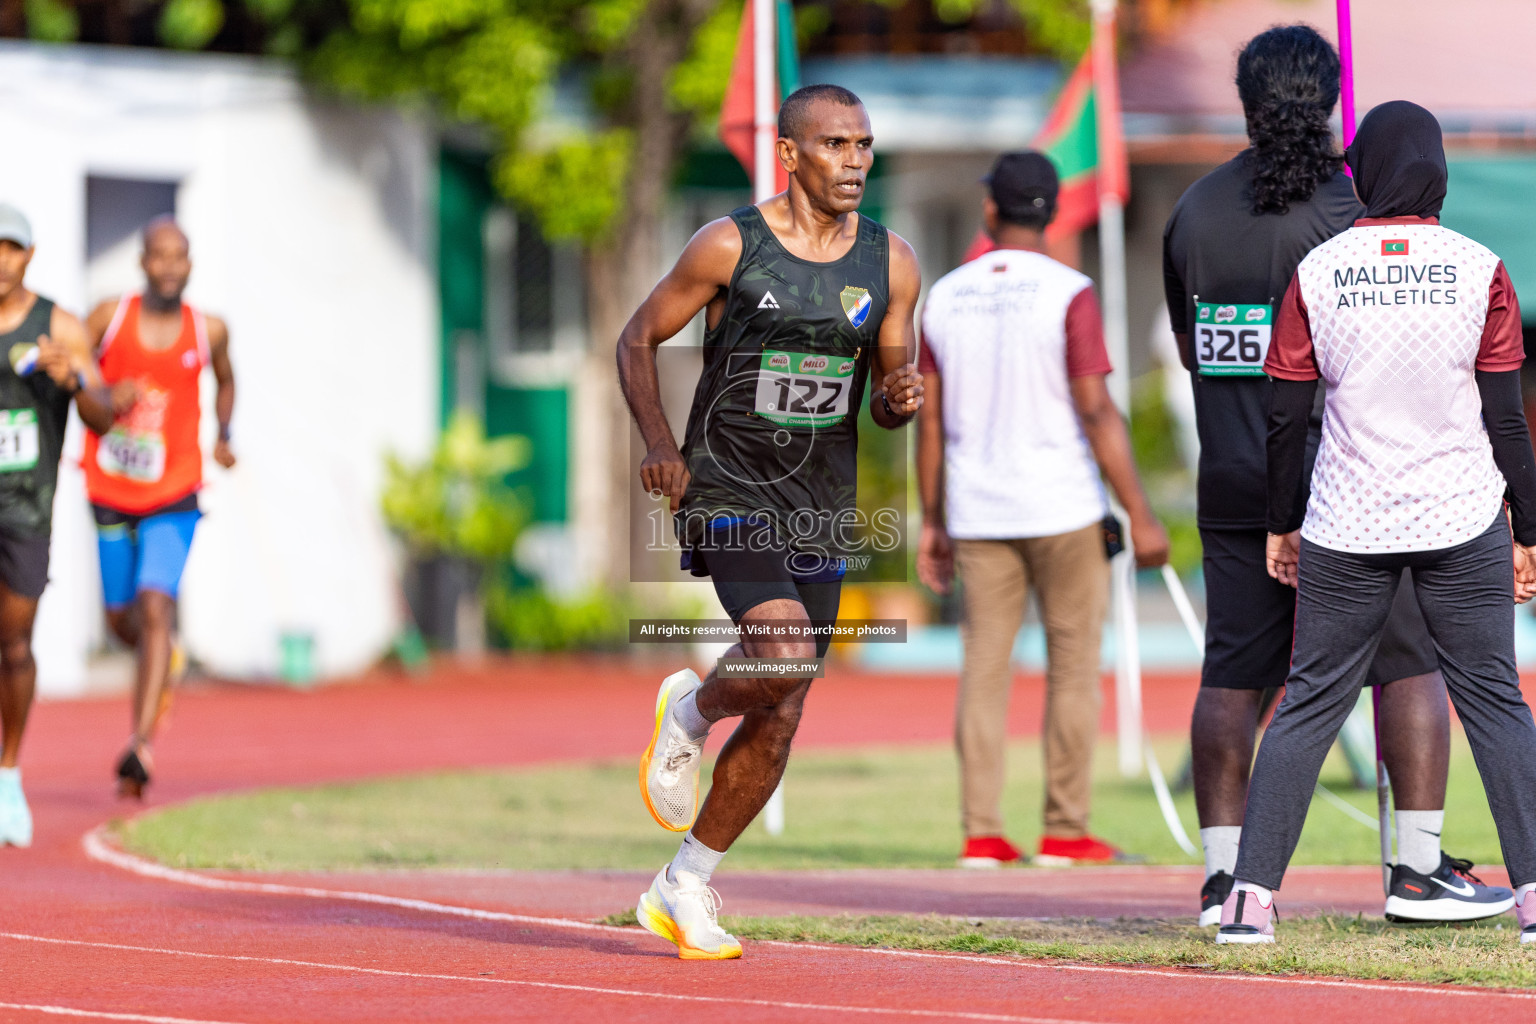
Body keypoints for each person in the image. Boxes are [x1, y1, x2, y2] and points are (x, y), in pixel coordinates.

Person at [1161, 26, 1502, 926]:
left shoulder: (1192, 211)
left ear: (1245, 101)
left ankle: (1225, 880)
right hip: (1355, 490)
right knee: (1412, 666)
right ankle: (1419, 871)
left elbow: (1191, 346)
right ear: (1332, 99)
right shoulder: (1360, 217)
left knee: (1234, 679)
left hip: (1233, 478)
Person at [1218, 100, 1536, 944]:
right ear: (1437, 168)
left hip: (1347, 521)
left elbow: (1287, 418)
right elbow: (1508, 420)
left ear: (1361, 171)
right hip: (1462, 517)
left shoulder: (1318, 272)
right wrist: (1529, 529)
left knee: (1309, 706)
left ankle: (1249, 902)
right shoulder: (1482, 268)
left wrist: (1281, 521)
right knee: (1496, 704)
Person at [616, 84, 922, 959]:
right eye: (835, 145)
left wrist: (901, 396)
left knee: (784, 706)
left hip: (820, 503)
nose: (856, 161)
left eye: (864, 144)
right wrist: (661, 445)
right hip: (728, 486)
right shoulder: (727, 245)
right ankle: (688, 713)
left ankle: (685, 883)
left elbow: (890, 396)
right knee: (782, 654)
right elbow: (636, 339)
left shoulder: (892, 262)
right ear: (790, 154)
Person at [916, 151, 1170, 868]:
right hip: (1062, 506)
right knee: (1072, 669)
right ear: (1054, 212)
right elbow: (1095, 408)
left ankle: (982, 832)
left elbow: (928, 423)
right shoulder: (1070, 291)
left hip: (977, 511)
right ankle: (1065, 829)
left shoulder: (945, 294)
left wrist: (931, 520)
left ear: (991, 210)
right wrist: (1142, 515)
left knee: (984, 672)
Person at [83, 217, 235, 799]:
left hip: (175, 489)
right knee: (122, 623)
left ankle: (139, 745)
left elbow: (226, 381)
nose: (170, 266)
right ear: (142, 262)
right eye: (159, 256)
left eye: (180, 257)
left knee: (156, 604)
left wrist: (224, 433)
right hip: (111, 487)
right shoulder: (107, 318)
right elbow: (78, 368)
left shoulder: (210, 330)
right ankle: (162, 661)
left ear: (190, 264)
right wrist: (101, 392)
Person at [0, 203, 116, 844]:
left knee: (12, 645)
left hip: (25, 510)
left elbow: (103, 417)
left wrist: (74, 380)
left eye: (10, 248)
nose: (0, 261)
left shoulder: (60, 326)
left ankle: (8, 779)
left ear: (30, 255)